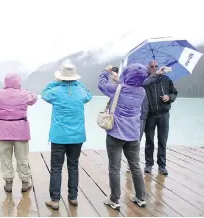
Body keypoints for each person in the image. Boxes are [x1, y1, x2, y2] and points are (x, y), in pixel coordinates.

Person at [42, 63, 92, 210]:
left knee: (56, 168)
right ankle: (73, 197)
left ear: (61, 77)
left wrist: (56, 81)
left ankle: (55, 200)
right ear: (75, 77)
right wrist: (77, 83)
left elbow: (44, 93)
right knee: (73, 166)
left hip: (59, 136)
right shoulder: (81, 92)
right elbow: (89, 94)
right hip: (77, 136)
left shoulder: (55, 91)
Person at [98, 64, 148, 210]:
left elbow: (101, 85)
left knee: (114, 168)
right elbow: (128, 88)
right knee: (135, 166)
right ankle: (140, 197)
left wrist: (106, 72)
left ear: (126, 74)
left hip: (115, 135)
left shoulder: (117, 89)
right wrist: (119, 80)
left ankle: (114, 199)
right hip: (133, 135)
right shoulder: (142, 92)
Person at [0, 73, 37, 193]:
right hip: (20, 130)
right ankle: (25, 182)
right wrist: (26, 91)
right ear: (18, 82)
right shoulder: (24, 93)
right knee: (22, 158)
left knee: (5, 158)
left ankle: (8, 184)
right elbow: (33, 99)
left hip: (2, 131)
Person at [143, 60, 178, 175]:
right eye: (152, 66)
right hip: (150, 115)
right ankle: (148, 164)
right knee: (149, 141)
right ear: (148, 68)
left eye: (156, 66)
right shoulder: (146, 81)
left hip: (164, 114)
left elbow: (174, 93)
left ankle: (162, 166)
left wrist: (169, 97)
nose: (154, 68)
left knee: (162, 141)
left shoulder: (166, 79)